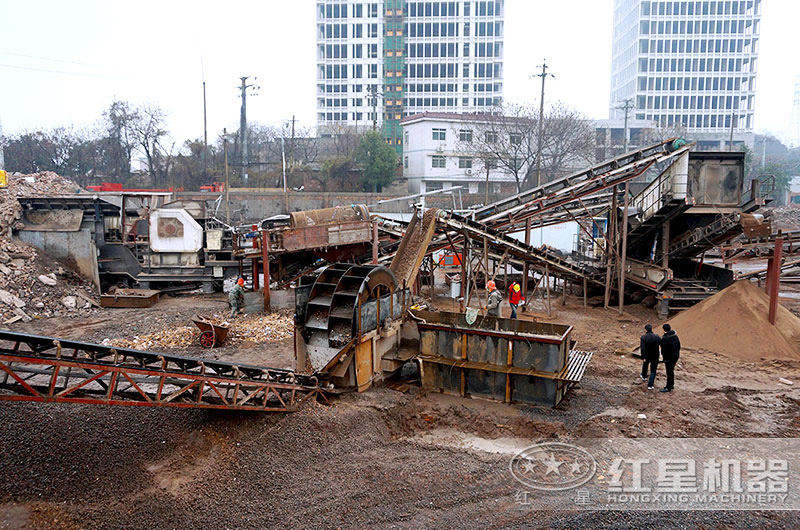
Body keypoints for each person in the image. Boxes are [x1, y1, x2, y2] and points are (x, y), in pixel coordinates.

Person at [660, 323, 681, 392]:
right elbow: (679, 346)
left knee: (669, 372)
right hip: (675, 356)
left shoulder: (665, 338)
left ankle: (668, 387)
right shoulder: (675, 336)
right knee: (671, 371)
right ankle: (671, 385)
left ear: (664, 329)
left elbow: (663, 350)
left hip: (668, 358)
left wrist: (664, 358)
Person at [639, 324, 661, 390]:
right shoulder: (657, 336)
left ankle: (644, 376)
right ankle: (650, 385)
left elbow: (642, 348)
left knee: (645, 365)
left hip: (647, 355)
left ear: (646, 330)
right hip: (655, 355)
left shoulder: (643, 337)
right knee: (653, 370)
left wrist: (643, 357)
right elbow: (661, 343)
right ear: (652, 329)